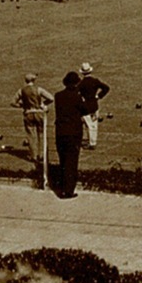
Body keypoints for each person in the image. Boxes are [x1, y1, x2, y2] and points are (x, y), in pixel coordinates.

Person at [52, 71, 86, 199]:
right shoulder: (77, 97)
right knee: (71, 162)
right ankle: (68, 190)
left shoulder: (58, 96)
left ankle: (62, 187)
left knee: (63, 160)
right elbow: (85, 109)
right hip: (73, 133)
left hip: (60, 132)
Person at [15, 73, 54, 166]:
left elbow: (13, 102)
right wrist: (43, 104)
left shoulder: (21, 91)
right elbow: (51, 98)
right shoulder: (39, 89)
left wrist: (23, 105)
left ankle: (34, 156)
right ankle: (43, 154)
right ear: (33, 80)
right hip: (39, 113)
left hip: (28, 113)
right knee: (41, 134)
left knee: (31, 135)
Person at [78, 63, 110, 149]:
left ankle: (89, 141)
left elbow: (77, 94)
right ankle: (93, 142)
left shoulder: (81, 83)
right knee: (93, 124)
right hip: (94, 104)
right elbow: (106, 88)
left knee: (87, 124)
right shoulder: (95, 81)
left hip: (85, 106)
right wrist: (98, 96)